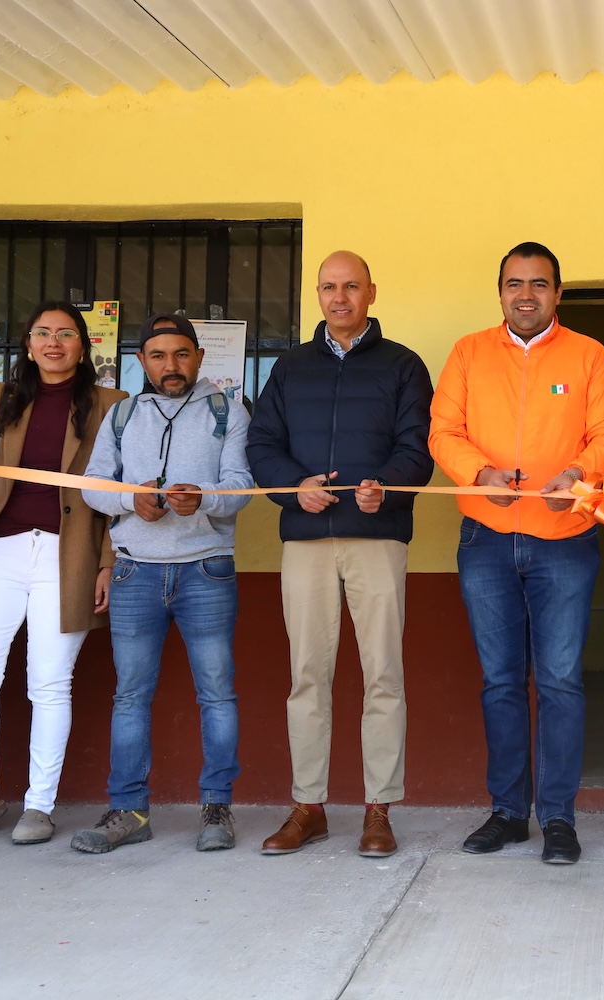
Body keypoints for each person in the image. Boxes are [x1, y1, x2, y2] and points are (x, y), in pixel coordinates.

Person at [430, 241, 604, 865]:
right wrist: (477, 472)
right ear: (500, 293)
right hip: (485, 539)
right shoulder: (468, 352)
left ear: (557, 294)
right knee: (500, 682)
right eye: (514, 284)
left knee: (561, 682)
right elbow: (443, 431)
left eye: (538, 284)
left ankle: (559, 818)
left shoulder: (589, 355)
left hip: (565, 541)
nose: (525, 295)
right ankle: (510, 813)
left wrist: (580, 471)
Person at [247, 251, 434, 858]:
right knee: (307, 676)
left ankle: (379, 809)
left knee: (383, 675)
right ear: (318, 295)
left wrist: (387, 485)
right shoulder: (291, 367)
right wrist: (292, 488)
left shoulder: (402, 365)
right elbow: (262, 444)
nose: (339, 297)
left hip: (378, 538)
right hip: (306, 539)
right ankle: (309, 806)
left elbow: (419, 448)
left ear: (371, 292)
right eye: (329, 287)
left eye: (351, 286)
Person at [0, 301, 126, 847]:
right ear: (27, 343)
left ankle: (39, 806)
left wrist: (108, 561)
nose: (53, 342)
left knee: (48, 681)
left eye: (65, 334)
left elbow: (119, 491)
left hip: (70, 554)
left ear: (83, 346)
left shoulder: (112, 404)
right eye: (42, 332)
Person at [72, 314, 252, 854]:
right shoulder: (122, 414)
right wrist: (131, 500)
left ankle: (217, 807)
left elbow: (242, 487)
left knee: (216, 693)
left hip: (207, 569)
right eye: (158, 356)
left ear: (199, 357)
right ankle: (128, 810)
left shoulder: (228, 410)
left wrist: (206, 499)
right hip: (134, 572)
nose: (170, 366)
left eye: (180, 354)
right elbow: (92, 486)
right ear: (142, 362)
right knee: (130, 695)